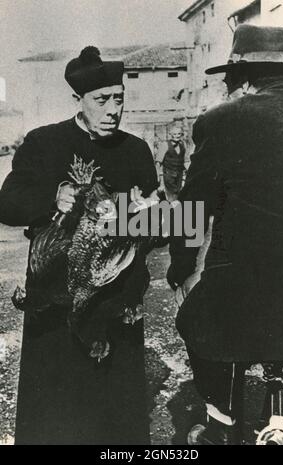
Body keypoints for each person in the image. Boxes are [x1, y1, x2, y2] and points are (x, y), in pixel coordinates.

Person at [0, 46, 158, 445]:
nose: (112, 111)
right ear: (78, 100)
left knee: (116, 414)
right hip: (55, 301)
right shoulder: (42, 142)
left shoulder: (136, 150)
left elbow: (158, 226)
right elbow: (7, 204)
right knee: (55, 411)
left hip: (117, 298)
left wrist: (153, 213)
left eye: (118, 100)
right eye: (101, 100)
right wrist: (51, 198)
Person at [167, 25, 283, 445]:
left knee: (196, 320)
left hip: (243, 281)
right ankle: (275, 413)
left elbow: (192, 209)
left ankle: (221, 420)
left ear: (244, 78)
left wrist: (181, 269)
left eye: (228, 76)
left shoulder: (222, 121)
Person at [156, 124, 187, 201]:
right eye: (175, 134)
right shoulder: (165, 145)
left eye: (179, 134)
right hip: (168, 176)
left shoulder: (182, 145)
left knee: (178, 196)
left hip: (179, 176)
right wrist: (160, 181)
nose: (177, 136)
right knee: (170, 198)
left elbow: (184, 161)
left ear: (182, 134)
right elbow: (158, 163)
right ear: (170, 134)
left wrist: (184, 177)